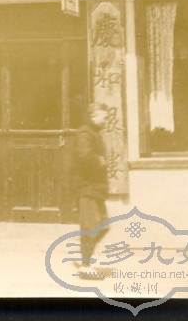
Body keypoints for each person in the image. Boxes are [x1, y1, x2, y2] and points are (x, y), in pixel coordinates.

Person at [73, 102, 110, 278]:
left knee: (103, 226)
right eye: (104, 117)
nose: (106, 120)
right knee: (90, 227)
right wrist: (99, 160)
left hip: (97, 188)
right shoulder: (84, 134)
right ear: (93, 116)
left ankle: (87, 259)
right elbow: (84, 155)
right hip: (87, 188)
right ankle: (85, 265)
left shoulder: (95, 133)